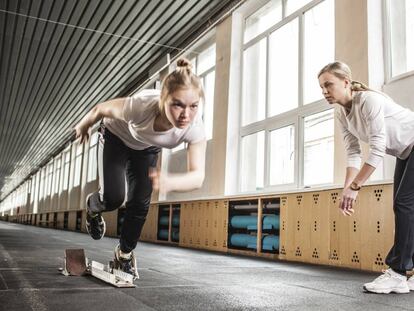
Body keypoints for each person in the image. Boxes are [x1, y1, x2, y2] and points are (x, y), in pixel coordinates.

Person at [74, 58, 206, 278]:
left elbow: (198, 176)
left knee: (140, 202)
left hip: (146, 148)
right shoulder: (140, 105)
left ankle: (123, 254)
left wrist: (170, 182)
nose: (186, 115)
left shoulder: (194, 127)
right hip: (116, 137)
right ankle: (93, 208)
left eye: (193, 106)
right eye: (178, 104)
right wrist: (84, 124)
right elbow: (100, 109)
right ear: (163, 99)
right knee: (114, 198)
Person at [318, 61, 414, 294]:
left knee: (404, 204)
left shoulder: (368, 101)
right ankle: (405, 271)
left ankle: (398, 273)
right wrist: (347, 189)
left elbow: (378, 148)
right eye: (321, 87)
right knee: (402, 206)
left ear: (346, 82)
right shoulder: (342, 114)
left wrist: (357, 186)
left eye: (328, 85)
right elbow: (353, 152)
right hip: (406, 151)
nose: (324, 91)